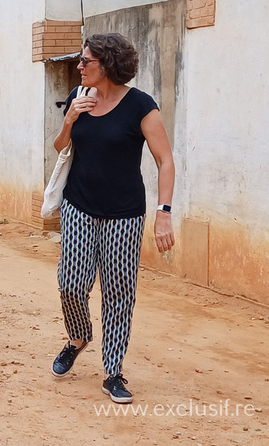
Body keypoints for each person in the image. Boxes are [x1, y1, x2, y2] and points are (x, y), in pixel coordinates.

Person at [50, 33, 175, 404]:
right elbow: (60, 146)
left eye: (85, 61)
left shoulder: (140, 106)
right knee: (70, 283)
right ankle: (78, 336)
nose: (79, 67)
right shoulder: (78, 98)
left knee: (119, 293)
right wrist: (70, 118)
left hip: (124, 213)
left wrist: (163, 214)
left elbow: (165, 160)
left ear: (105, 65)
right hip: (78, 204)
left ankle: (113, 371)